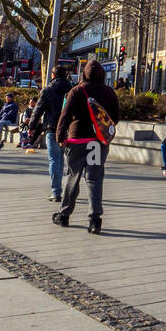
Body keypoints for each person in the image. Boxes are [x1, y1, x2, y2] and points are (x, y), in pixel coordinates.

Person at [53, 60, 121, 234]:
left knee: (73, 177)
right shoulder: (109, 92)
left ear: (84, 73)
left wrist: (60, 136)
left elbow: (65, 115)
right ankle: (94, 219)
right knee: (94, 179)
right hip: (97, 142)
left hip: (77, 141)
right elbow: (116, 117)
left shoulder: (76, 91)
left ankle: (64, 214)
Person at [32, 66, 72, 202]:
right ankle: (67, 191)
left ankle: (56, 192)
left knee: (54, 159)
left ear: (53, 76)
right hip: (68, 130)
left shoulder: (48, 90)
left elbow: (38, 109)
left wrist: (32, 126)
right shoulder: (72, 90)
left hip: (52, 128)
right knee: (65, 159)